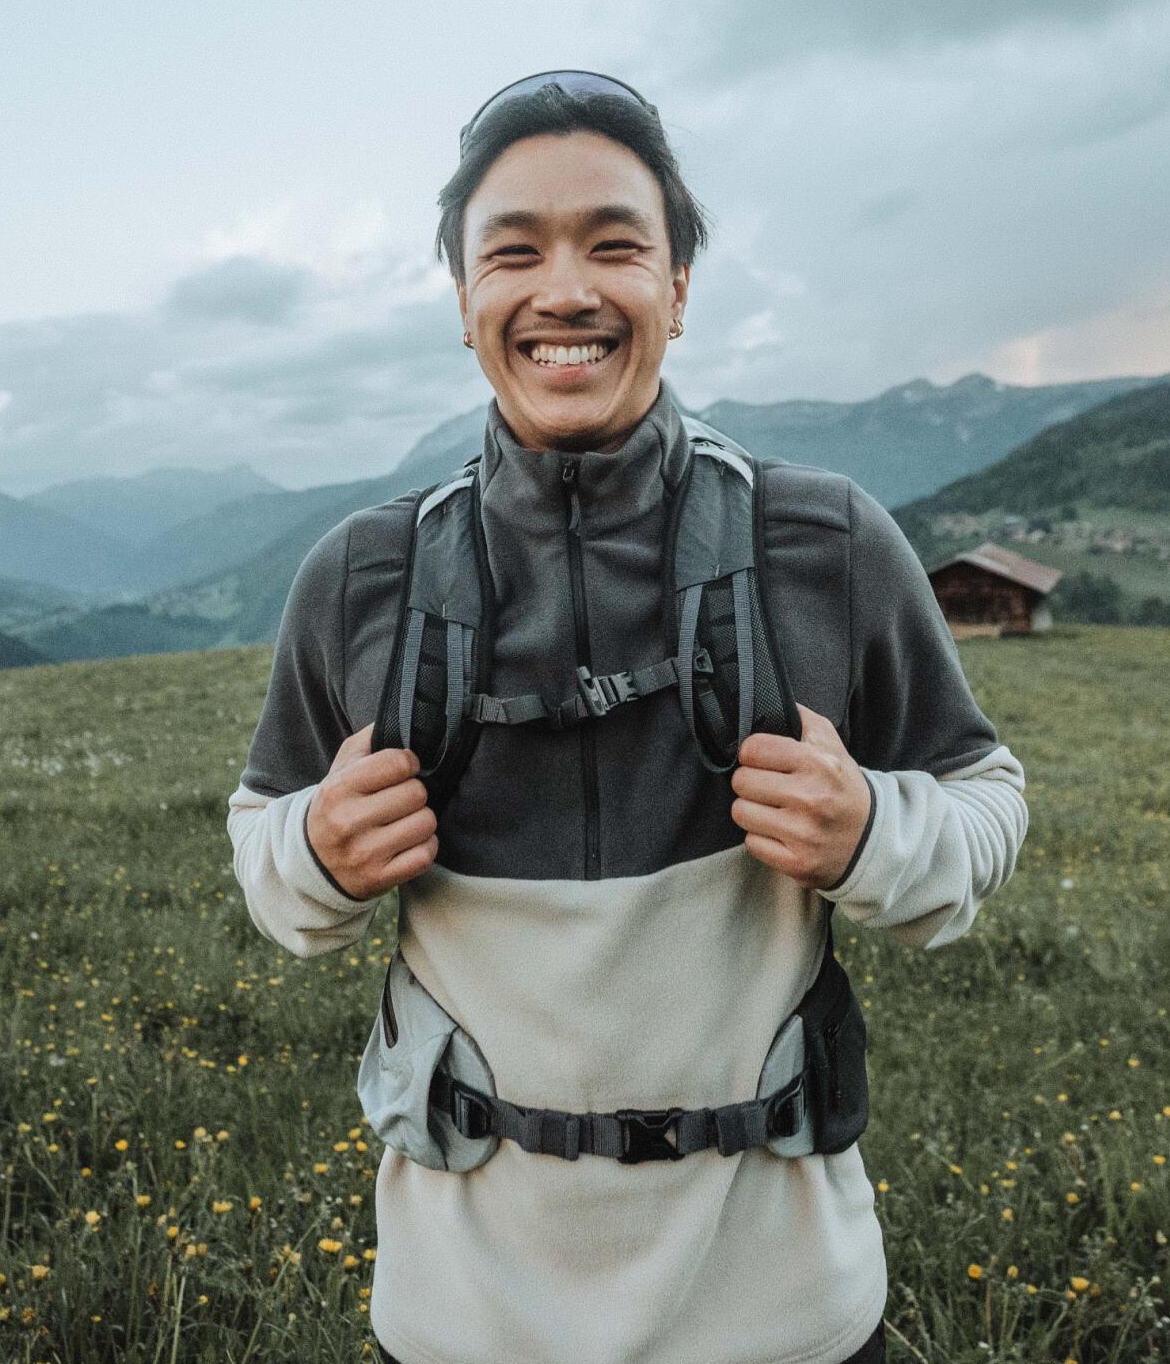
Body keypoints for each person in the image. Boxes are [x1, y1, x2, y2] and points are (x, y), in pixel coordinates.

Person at [227, 71, 1029, 1364]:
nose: (566, 291)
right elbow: (264, 845)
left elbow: (986, 797)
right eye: (514, 254)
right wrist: (316, 851)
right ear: (464, 301)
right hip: (461, 1326)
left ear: (678, 289)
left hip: (785, 1321)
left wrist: (875, 832)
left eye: (614, 245)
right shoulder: (362, 578)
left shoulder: (825, 544)